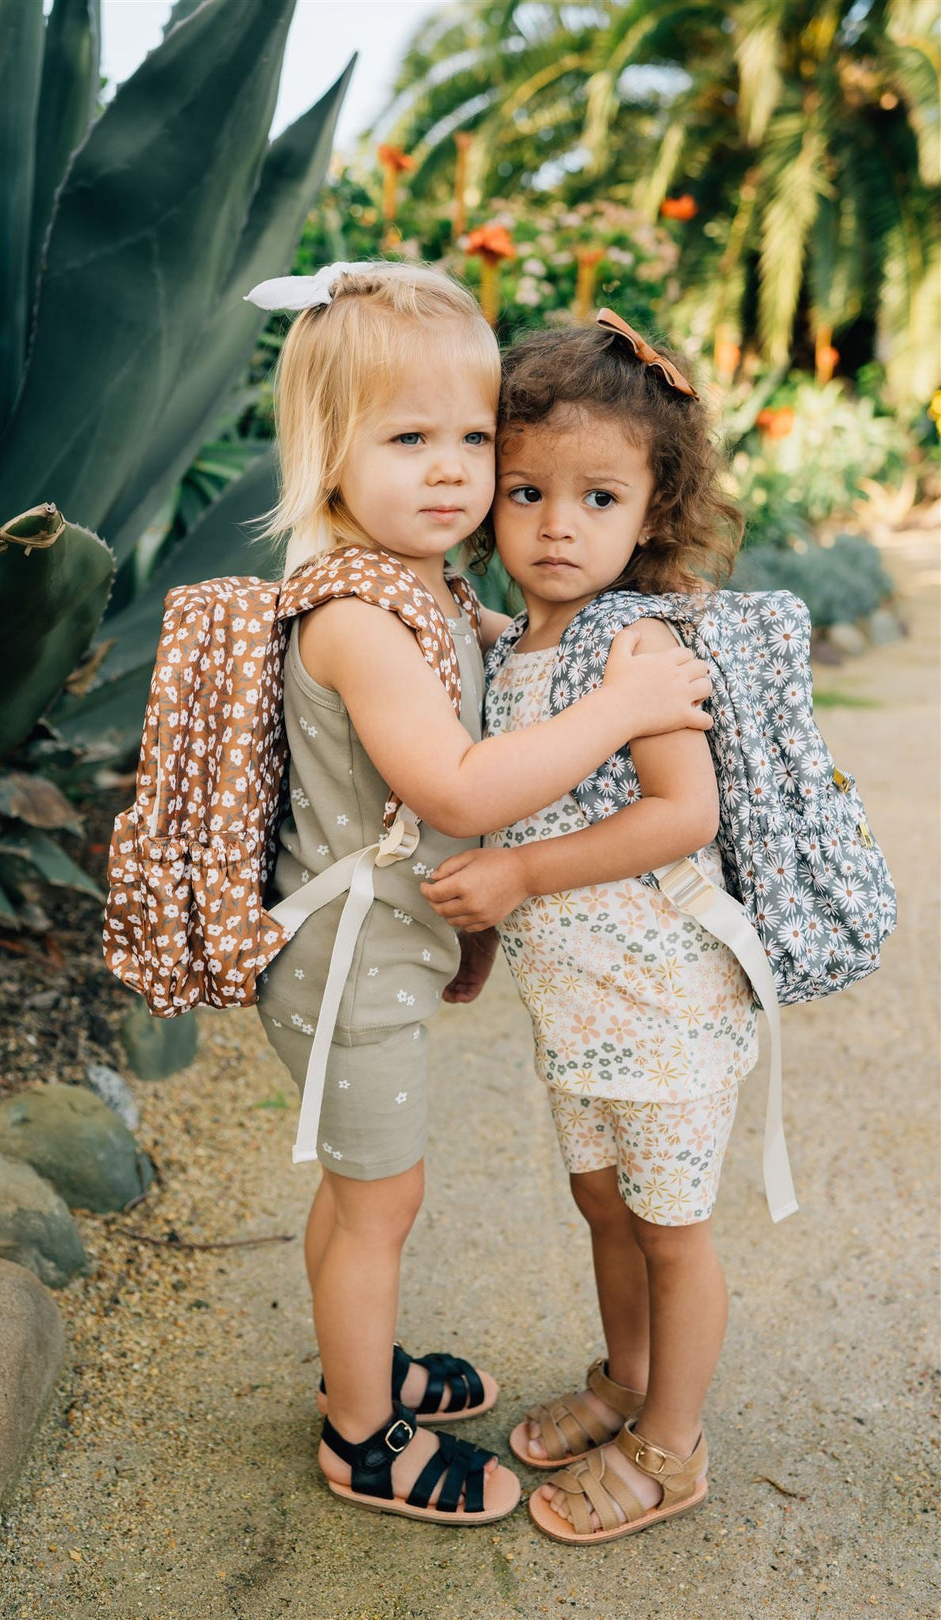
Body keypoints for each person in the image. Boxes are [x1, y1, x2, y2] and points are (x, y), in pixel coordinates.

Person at [246, 264, 715, 1526]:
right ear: (329, 452)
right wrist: (618, 707)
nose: (452, 470)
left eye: (469, 438)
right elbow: (455, 788)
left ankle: (368, 1361)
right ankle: (360, 1433)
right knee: (374, 1200)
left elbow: (484, 683)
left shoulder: (426, 588)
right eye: (409, 439)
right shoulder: (356, 616)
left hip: (372, 958)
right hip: (346, 971)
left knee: (363, 1194)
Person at [421, 314, 759, 1543]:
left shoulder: (640, 644)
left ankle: (674, 1445)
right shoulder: (523, 645)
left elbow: (683, 814)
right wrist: (478, 933)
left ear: (652, 511)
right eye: (527, 491)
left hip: (665, 1009)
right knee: (604, 1210)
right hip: (578, 1014)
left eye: (598, 495)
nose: (558, 525)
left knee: (673, 1234)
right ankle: (626, 1380)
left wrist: (516, 875)